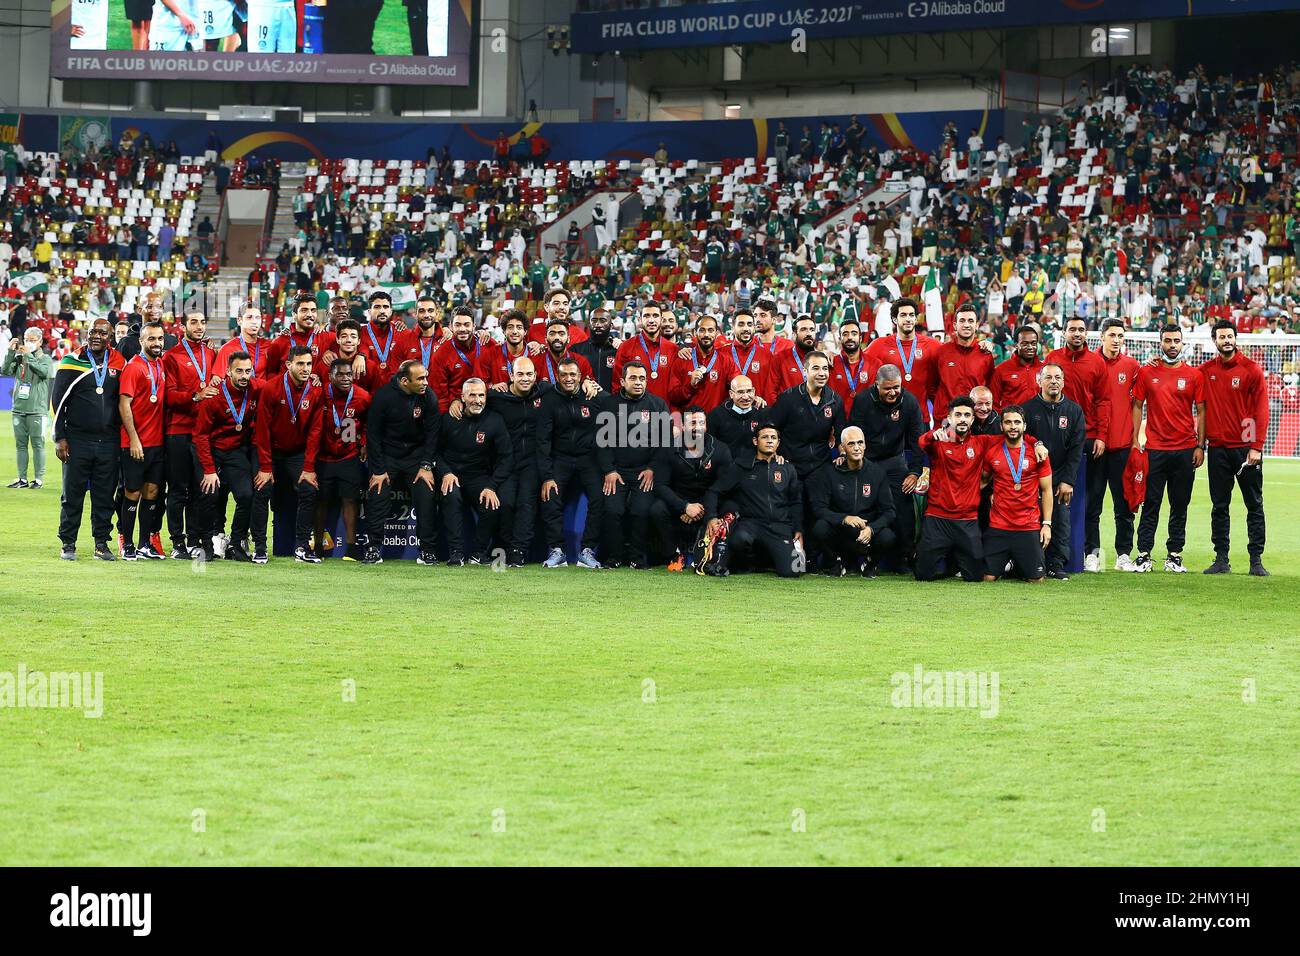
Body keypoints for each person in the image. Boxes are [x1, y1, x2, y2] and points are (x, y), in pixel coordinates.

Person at [451, 359, 545, 567]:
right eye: (520, 374)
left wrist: (589, 383)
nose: (525, 378)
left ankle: (518, 551)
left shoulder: (544, 393)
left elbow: (570, 386)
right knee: (506, 503)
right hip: (504, 463)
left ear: (536, 375)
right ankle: (501, 550)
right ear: (511, 375)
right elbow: (474, 400)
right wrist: (456, 402)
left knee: (526, 504)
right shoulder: (495, 396)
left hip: (531, 462)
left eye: (529, 374)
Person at [1130, 325, 1205, 573]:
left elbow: (1202, 411)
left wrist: (1200, 445)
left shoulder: (1194, 375)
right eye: (1167, 340)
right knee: (1151, 503)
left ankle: (1174, 554)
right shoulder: (1146, 372)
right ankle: (1143, 554)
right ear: (1160, 342)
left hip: (1185, 449)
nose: (1172, 345)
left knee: (1179, 504)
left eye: (1176, 341)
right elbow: (1137, 405)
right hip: (1155, 449)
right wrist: (1134, 439)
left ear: (1182, 343)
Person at [51, 318, 126, 560]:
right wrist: (59, 438)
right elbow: (57, 401)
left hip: (109, 442)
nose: (96, 336)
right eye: (93, 331)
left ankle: (101, 544)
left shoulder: (119, 362)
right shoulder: (71, 360)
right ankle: (68, 543)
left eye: (102, 333)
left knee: (104, 497)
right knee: (72, 495)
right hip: (77, 440)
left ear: (110, 336)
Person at [1201, 319, 1268, 575]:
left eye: (1230, 336)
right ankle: (1221, 558)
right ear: (1214, 340)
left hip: (1246, 450)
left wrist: (1255, 446)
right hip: (1217, 449)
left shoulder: (1251, 370)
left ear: (1235, 338)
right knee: (1219, 505)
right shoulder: (1206, 370)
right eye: (1221, 337)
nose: (1226, 340)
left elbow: (1260, 411)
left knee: (1254, 504)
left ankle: (1256, 560)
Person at [848, 364, 925, 571]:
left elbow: (918, 440)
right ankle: (857, 559)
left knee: (903, 510)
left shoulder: (909, 402)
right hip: (867, 461)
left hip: (895, 461)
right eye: (887, 388)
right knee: (863, 507)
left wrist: (914, 472)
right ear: (877, 385)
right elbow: (855, 434)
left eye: (896, 388)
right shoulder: (863, 400)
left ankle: (905, 558)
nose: (893, 392)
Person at [364, 360, 441, 566]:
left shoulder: (428, 396)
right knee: (378, 492)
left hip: (416, 458)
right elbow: (373, 435)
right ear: (405, 381)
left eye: (426, 377)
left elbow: (433, 433)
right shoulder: (383, 397)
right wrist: (379, 470)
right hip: (388, 455)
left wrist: (426, 466)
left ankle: (427, 550)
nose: (426, 382)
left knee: (426, 493)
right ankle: (373, 548)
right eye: (421, 379)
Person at [194, 351, 268, 564]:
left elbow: (277, 385)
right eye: (239, 371)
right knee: (209, 494)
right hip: (212, 449)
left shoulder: (255, 388)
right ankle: (206, 543)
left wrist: (314, 378)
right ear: (227, 372)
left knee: (246, 495)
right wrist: (208, 470)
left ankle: (236, 543)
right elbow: (200, 435)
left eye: (248, 371)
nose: (244, 376)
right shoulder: (213, 396)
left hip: (235, 451)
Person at [595, 361, 669, 568]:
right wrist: (608, 470)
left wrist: (652, 468)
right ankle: (615, 557)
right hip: (616, 471)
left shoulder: (658, 405)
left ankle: (637, 557)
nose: (638, 383)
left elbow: (665, 443)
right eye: (633, 378)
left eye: (642, 379)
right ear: (622, 381)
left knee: (640, 511)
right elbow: (601, 443)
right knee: (612, 511)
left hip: (644, 472)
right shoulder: (608, 405)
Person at [254, 345, 324, 564]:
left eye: (309, 364)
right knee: (261, 489)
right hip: (271, 452)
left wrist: (309, 467)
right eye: (300, 364)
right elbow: (262, 430)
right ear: (288, 365)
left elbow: (315, 431)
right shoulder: (271, 388)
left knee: (308, 489)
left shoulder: (315, 390)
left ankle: (302, 547)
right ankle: (259, 547)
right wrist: (265, 467)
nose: (305, 368)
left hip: (297, 453)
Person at [707, 422, 804, 578]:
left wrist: (798, 529)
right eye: (765, 437)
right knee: (739, 539)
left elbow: (795, 502)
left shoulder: (787, 469)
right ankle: (746, 563)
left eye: (773, 438)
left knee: (794, 571)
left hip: (779, 527)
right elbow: (714, 491)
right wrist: (711, 517)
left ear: (779, 443)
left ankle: (768, 560)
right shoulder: (741, 466)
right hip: (751, 524)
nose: (770, 440)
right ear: (755, 441)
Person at [536, 357, 604, 569]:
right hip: (560, 458)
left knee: (600, 498)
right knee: (550, 497)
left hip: (588, 459)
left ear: (580, 376)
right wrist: (547, 476)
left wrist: (595, 387)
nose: (568, 378)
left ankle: (587, 551)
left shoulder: (592, 395)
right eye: (563, 374)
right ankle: (557, 551)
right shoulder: (548, 398)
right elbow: (542, 440)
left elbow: (614, 405)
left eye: (573, 375)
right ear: (557, 376)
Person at [436, 378, 513, 566]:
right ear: (462, 397)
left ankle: (479, 553)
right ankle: (456, 552)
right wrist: (445, 472)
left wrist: (491, 486)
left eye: (481, 395)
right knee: (451, 497)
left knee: (491, 504)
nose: (477, 400)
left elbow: (506, 457)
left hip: (479, 477)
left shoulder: (495, 420)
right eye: (472, 395)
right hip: (451, 474)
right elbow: (434, 452)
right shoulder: (448, 419)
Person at [1021, 364, 1086, 579]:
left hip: (1059, 477)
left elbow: (1077, 449)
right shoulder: (1027, 410)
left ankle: (1056, 564)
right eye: (1048, 377)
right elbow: (1020, 443)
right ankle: (1032, 562)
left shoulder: (1074, 411)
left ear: (1064, 381)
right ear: (1039, 381)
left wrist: (1068, 480)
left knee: (1061, 520)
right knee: (1030, 520)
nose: (1053, 381)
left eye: (1058, 377)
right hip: (1032, 477)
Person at [915, 396, 990, 582]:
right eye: (958, 415)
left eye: (967, 415)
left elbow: (1012, 439)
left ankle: (957, 562)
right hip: (937, 518)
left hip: (967, 520)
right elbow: (922, 442)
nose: (962, 419)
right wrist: (933, 434)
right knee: (923, 575)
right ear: (949, 418)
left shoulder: (981, 442)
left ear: (973, 419)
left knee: (975, 577)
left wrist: (1036, 443)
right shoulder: (939, 440)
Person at [162, 311, 218, 558]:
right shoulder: (171, 356)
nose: (199, 326)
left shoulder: (210, 353)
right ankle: (177, 543)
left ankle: (195, 540)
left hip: (203, 433)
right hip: (179, 431)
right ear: (182, 326)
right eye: (194, 322)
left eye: (202, 322)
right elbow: (169, 396)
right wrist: (196, 395)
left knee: (201, 490)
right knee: (178, 489)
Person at [808, 425, 896, 577]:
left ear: (865, 445)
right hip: (840, 531)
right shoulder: (829, 472)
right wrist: (844, 519)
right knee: (819, 528)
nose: (856, 448)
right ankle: (836, 563)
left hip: (866, 532)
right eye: (851, 444)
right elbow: (819, 508)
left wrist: (871, 528)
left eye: (860, 443)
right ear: (842, 447)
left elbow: (889, 511)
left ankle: (870, 564)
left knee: (888, 536)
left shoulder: (877, 473)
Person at [651, 405, 732, 571]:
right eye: (693, 423)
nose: (698, 428)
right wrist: (684, 507)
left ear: (706, 425)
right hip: (679, 503)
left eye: (701, 423)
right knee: (657, 509)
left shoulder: (721, 450)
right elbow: (660, 486)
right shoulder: (668, 448)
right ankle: (673, 554)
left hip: (708, 505)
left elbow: (724, 487)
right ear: (683, 426)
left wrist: (703, 510)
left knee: (731, 507)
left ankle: (713, 554)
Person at [1088, 319, 1140, 572]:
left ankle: (1123, 555)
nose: (1117, 339)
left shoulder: (1132, 366)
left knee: (1124, 505)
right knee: (1093, 504)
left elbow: (1139, 403)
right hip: (1096, 448)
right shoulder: (1090, 363)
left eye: (1120, 335)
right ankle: (1092, 553)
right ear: (1102, 337)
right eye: (1112, 335)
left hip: (1121, 447)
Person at [981, 404, 1054, 583]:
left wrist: (1046, 524)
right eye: (1008, 422)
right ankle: (1010, 563)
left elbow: (1046, 490)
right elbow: (982, 482)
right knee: (987, 578)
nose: (1013, 426)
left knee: (1037, 579)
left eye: (1017, 422)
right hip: (999, 525)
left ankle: (1015, 562)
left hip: (1027, 526)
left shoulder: (1038, 454)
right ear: (1001, 426)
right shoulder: (992, 452)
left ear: (1024, 426)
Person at [117, 321, 168, 560]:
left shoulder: (161, 365)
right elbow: (123, 404)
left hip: (157, 443)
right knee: (132, 492)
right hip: (135, 444)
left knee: (152, 492)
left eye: (159, 338)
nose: (156, 343)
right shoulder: (134, 367)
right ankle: (127, 545)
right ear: (141, 341)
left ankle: (144, 544)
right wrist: (134, 440)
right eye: (151, 339)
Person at [315, 358, 370, 562]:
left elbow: (368, 422)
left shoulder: (362, 396)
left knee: (350, 500)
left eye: (348, 374)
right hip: (323, 457)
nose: (345, 378)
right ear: (330, 376)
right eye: (340, 374)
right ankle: (318, 545)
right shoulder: (321, 394)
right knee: (320, 502)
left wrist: (364, 442)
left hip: (348, 456)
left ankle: (351, 547)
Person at [864, 297, 939, 414]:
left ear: (916, 318)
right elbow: (855, 358)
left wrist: (978, 345)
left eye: (911, 315)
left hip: (920, 416)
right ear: (894, 319)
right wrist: (830, 355)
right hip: (889, 417)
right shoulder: (879, 344)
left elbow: (951, 352)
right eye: (903, 315)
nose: (908, 319)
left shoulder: (931, 344)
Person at [3, 328, 52, 489]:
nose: (28, 342)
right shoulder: (19, 359)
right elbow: (4, 371)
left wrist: (28, 356)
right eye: (26, 339)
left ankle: (38, 479)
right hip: (18, 408)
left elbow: (44, 372)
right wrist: (10, 353)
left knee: (38, 445)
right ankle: (22, 479)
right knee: (21, 445)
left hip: (37, 410)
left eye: (32, 340)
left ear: (40, 342)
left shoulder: (45, 359)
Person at [929, 303, 994, 419]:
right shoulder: (941, 352)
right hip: (945, 417)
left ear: (977, 325)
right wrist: (943, 405)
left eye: (970, 321)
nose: (966, 325)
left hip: (974, 419)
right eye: (962, 321)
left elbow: (989, 386)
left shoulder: (985, 354)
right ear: (955, 325)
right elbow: (932, 385)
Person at [668, 313, 733, 412]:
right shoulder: (682, 359)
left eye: (710, 330)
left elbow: (736, 386)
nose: (706, 334)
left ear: (716, 333)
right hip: (689, 422)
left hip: (716, 422)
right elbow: (672, 396)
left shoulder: (726, 360)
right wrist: (690, 385)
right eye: (702, 330)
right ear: (695, 333)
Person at [612, 300, 675, 402]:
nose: (651, 320)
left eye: (655, 316)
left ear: (661, 319)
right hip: (633, 413)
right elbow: (617, 384)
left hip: (664, 412)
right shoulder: (626, 347)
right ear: (639, 319)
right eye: (646, 316)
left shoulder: (673, 349)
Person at [266, 293, 335, 379]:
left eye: (313, 310)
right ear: (294, 315)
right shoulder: (279, 342)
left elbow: (350, 339)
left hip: (314, 391)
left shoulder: (325, 337)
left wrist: (358, 355)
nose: (310, 314)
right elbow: (271, 373)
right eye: (304, 310)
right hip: (287, 391)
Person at [428, 306, 482, 413]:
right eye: (457, 325)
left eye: (467, 325)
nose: (462, 329)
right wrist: (451, 402)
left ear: (474, 326)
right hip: (456, 407)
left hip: (484, 403)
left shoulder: (486, 344)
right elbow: (439, 391)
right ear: (450, 327)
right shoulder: (441, 353)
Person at [707, 374, 763, 459]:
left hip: (755, 468)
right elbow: (710, 446)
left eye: (749, 391)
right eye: (740, 392)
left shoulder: (762, 413)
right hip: (726, 467)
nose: (746, 397)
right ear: (731, 394)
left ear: (754, 391)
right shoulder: (717, 415)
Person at [990, 323, 1044, 408]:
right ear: (1016, 345)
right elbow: (994, 402)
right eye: (1025, 344)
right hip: (1011, 420)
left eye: (1033, 343)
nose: (1030, 347)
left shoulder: (1044, 370)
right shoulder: (1001, 370)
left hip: (1038, 420)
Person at [572, 307, 620, 393]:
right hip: (586, 403)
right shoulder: (576, 350)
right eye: (594, 320)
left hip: (615, 404)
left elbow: (625, 384)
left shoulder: (619, 350)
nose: (598, 324)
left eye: (602, 320)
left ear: (611, 325)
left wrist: (622, 407)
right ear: (589, 324)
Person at [827, 316, 868, 416]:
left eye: (854, 333)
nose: (850, 337)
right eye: (845, 334)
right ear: (840, 338)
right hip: (837, 423)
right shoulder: (829, 364)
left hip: (866, 425)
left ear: (860, 337)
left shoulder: (874, 364)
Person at [534, 318, 595, 385]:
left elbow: (591, 386)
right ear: (546, 339)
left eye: (561, 334)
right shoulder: (536, 363)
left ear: (568, 339)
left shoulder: (581, 362)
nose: (557, 337)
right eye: (552, 334)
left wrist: (589, 384)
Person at [216, 305, 268, 378]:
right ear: (239, 320)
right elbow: (217, 382)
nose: (254, 322)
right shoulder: (227, 349)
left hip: (263, 389)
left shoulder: (268, 346)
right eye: (249, 317)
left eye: (258, 318)